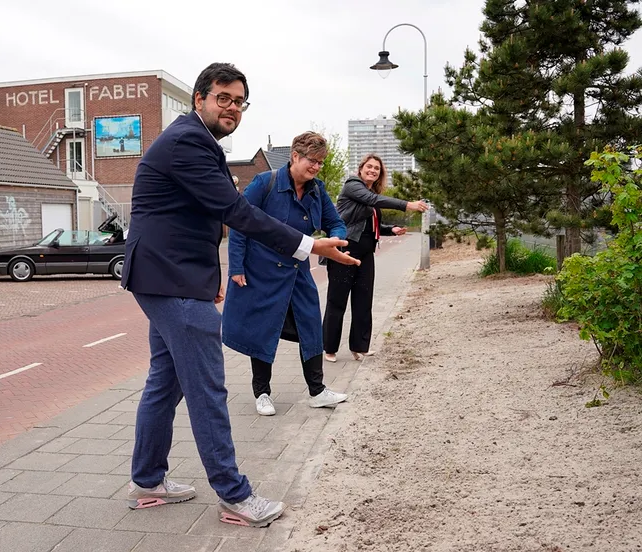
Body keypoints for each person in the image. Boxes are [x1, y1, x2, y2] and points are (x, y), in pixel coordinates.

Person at [121, 62, 359, 528]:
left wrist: (208, 279)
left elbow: (196, 218)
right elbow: (235, 212)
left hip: (167, 276)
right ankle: (235, 497)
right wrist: (309, 245)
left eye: (239, 101)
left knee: (165, 381)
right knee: (208, 388)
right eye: (223, 98)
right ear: (199, 99)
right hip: (169, 279)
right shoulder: (189, 141)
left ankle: (147, 481)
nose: (232, 108)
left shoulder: (196, 141)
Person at [223, 132, 349, 417]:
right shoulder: (264, 183)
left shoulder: (317, 190)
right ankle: (262, 393)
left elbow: (335, 221)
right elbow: (241, 222)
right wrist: (237, 266)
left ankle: (317, 391)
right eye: (312, 160)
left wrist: (336, 239)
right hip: (263, 272)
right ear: (295, 156)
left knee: (311, 326)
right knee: (262, 329)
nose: (317, 167)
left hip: (297, 271)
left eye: (320, 162)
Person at [322, 154, 428, 363]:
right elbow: (369, 204)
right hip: (345, 249)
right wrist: (407, 204)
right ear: (361, 169)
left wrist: (390, 229)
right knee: (337, 300)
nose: (372, 170)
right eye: (369, 167)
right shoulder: (353, 185)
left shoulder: (371, 194)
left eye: (377, 169)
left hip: (366, 253)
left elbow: (369, 225)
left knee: (363, 300)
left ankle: (359, 346)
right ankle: (329, 348)